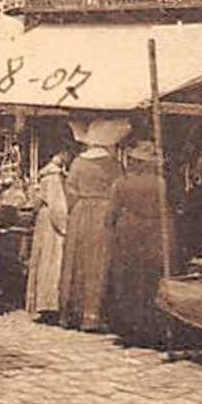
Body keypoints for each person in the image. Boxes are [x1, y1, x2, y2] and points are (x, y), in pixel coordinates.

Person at [59, 117, 128, 332]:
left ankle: (73, 312)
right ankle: (94, 314)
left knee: (77, 260)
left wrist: (76, 207)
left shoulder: (78, 163)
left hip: (81, 212)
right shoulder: (113, 164)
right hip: (103, 212)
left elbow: (69, 190)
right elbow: (120, 190)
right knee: (99, 261)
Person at [105, 141, 172, 346]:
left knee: (128, 281)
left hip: (128, 233)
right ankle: (150, 327)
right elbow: (165, 210)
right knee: (150, 280)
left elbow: (111, 214)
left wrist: (111, 229)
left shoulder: (121, 183)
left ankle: (129, 328)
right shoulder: (160, 183)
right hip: (153, 233)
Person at [24, 148, 71, 322]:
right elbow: (57, 206)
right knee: (52, 262)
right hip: (51, 224)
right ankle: (49, 304)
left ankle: (44, 303)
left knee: (44, 260)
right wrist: (65, 227)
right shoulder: (54, 177)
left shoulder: (47, 175)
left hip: (44, 220)